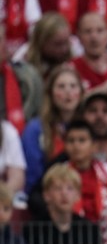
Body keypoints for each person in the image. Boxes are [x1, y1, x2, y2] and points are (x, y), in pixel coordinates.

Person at [22, 65, 85, 195]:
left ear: (81, 92)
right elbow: (33, 176)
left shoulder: (90, 126)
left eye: (73, 86)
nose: (68, 92)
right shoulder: (35, 129)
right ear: (50, 93)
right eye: (61, 86)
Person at [72, 13, 107, 96]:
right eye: (87, 31)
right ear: (78, 36)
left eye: (100, 30)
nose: (94, 37)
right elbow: (76, 102)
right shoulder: (71, 69)